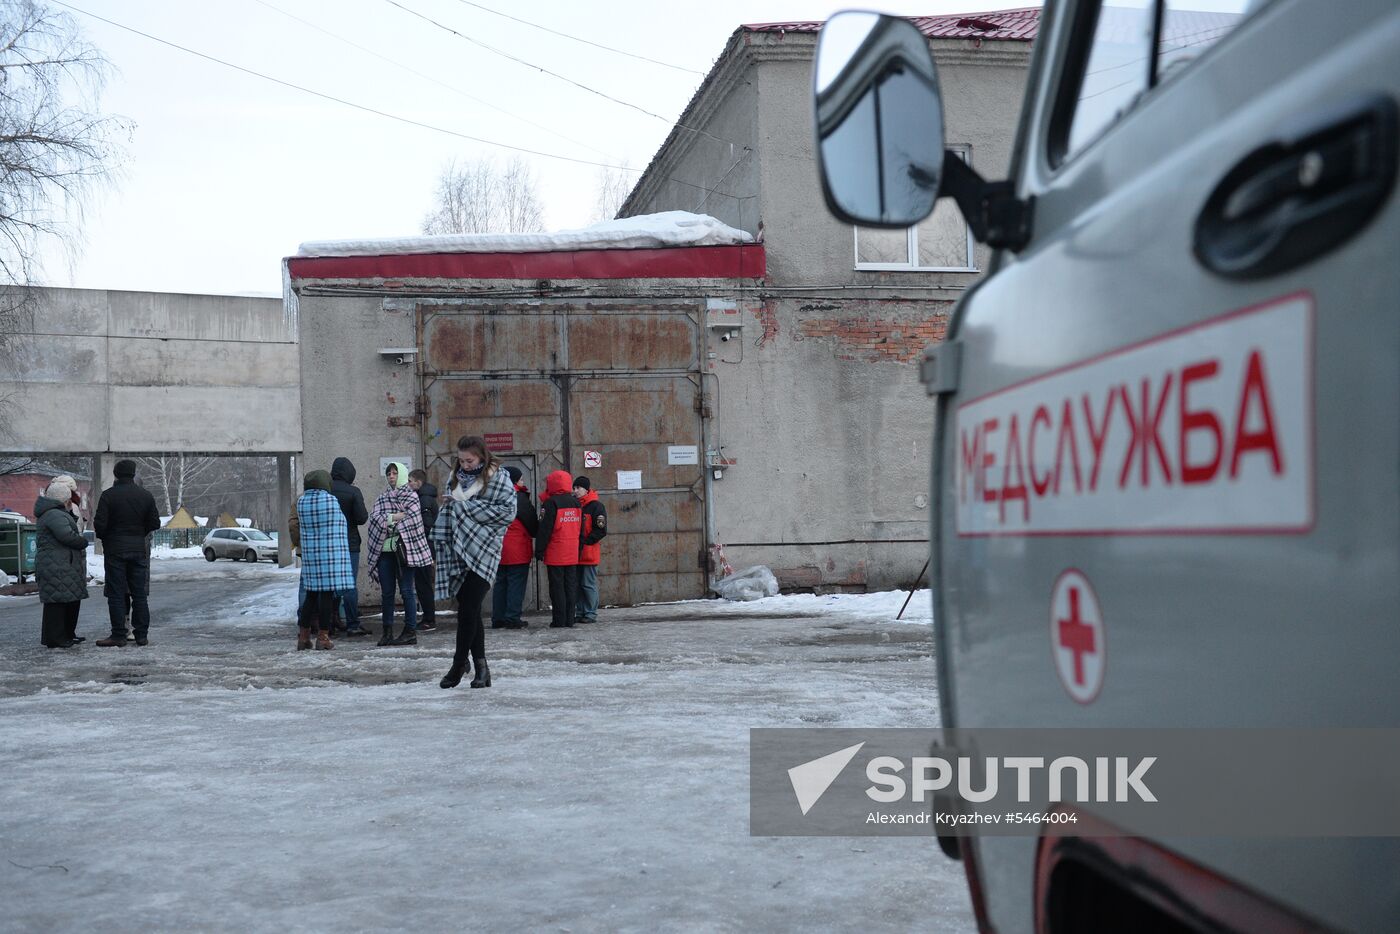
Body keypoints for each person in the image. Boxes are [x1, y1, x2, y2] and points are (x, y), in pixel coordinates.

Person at [433, 436, 516, 689]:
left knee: (468, 608)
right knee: (471, 609)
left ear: (482, 456)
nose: (465, 465)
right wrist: (450, 508)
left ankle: (459, 664)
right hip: (459, 549)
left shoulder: (498, 477)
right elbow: (450, 509)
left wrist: (465, 508)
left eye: (469, 461)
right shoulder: (454, 478)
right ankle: (482, 668)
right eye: (461, 460)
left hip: (486, 549)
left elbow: (508, 512)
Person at [93, 459, 160, 647]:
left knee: (116, 592)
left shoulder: (108, 496)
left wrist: (108, 538)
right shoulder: (145, 495)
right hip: (138, 549)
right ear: (133, 473)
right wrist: (138, 533)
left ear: (116, 474)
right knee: (139, 593)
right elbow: (154, 523)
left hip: (115, 549)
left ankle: (118, 635)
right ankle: (141, 635)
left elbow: (99, 525)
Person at [366, 462, 432, 646]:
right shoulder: (382, 497)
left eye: (395, 473)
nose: (391, 476)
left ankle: (410, 631)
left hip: (404, 551)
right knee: (387, 593)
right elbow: (374, 519)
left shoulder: (411, 496)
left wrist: (388, 521)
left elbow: (413, 521)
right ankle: (387, 632)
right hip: (385, 552)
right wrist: (394, 517)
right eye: (389, 473)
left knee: (407, 591)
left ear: (402, 474)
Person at [295, 470, 353, 650]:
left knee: (310, 596)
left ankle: (303, 638)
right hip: (328, 555)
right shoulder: (330, 500)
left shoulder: (301, 502)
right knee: (326, 596)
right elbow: (339, 523)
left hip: (311, 555)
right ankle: (323, 637)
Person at [34, 476, 88, 648]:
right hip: (56, 564)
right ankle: (57, 638)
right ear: (63, 499)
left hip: (61, 563)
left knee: (65, 600)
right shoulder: (54, 514)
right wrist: (82, 542)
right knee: (57, 602)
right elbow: (67, 536)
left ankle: (65, 635)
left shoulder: (55, 513)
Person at [535, 469, 583, 629]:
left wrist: (539, 550)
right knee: (570, 586)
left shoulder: (550, 503)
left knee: (557, 588)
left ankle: (559, 620)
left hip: (556, 552)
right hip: (572, 552)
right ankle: (570, 619)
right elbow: (581, 530)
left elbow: (545, 529)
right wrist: (579, 549)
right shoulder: (576, 503)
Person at [492, 466, 538, 629]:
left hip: (498, 547)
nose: (523, 482)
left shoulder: (494, 496)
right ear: (514, 481)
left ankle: (498, 618)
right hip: (517, 549)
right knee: (516, 584)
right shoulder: (518, 498)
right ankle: (512, 618)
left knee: (500, 584)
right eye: (521, 479)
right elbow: (532, 524)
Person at [330, 457, 370, 637]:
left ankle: (330, 622)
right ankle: (353, 623)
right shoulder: (353, 491)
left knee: (330, 583)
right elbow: (362, 518)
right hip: (350, 543)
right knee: (349, 584)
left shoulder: (326, 490)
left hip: (330, 544)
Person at [572, 475, 608, 625]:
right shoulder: (574, 504)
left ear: (586, 489)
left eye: (578, 488)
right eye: (574, 488)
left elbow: (601, 530)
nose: (575, 491)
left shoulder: (596, 506)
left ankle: (590, 613)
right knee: (577, 585)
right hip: (575, 553)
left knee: (587, 584)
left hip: (588, 552)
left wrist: (586, 542)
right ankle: (580, 612)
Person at [407, 468, 439, 633]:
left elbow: (427, 526)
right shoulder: (425, 497)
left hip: (424, 547)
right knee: (423, 583)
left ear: (418, 483)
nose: (408, 484)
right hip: (426, 546)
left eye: (410, 481)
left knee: (423, 584)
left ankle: (429, 619)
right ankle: (428, 617)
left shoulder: (424, 499)